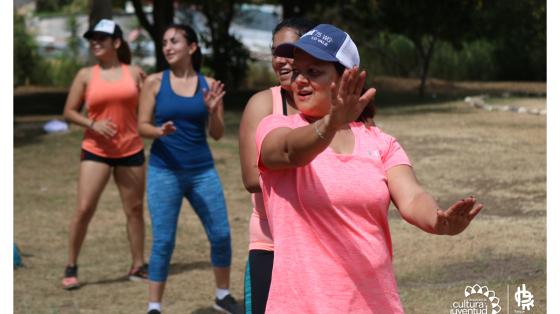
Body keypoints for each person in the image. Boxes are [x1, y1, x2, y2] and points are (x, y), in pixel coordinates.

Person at [257, 24, 484, 313]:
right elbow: (290, 152)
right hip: (301, 305)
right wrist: (331, 123)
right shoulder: (276, 126)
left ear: (345, 79)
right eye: (298, 71)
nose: (300, 80)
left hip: (375, 304)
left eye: (314, 72)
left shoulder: (380, 142)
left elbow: (412, 196)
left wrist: (438, 221)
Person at [137, 24, 242, 314]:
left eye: (174, 41)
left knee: (221, 234)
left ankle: (222, 296)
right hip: (164, 171)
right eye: (165, 43)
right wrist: (159, 131)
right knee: (164, 240)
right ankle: (154, 307)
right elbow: (141, 126)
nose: (168, 47)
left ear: (192, 47)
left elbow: (217, 134)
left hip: (201, 172)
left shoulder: (209, 85)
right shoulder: (155, 82)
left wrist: (213, 111)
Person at [61, 19, 148, 290]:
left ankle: (138, 264)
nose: (96, 42)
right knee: (84, 208)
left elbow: (150, 107)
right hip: (95, 150)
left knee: (134, 210)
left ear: (117, 42)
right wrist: (92, 124)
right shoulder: (86, 74)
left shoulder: (135, 72)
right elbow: (69, 111)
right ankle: (71, 265)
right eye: (93, 38)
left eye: (102, 38)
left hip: (131, 149)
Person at [238, 17, 315, 314]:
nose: (280, 60)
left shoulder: (328, 106)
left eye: (289, 50)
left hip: (319, 240)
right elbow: (251, 178)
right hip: (271, 243)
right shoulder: (262, 104)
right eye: (275, 52)